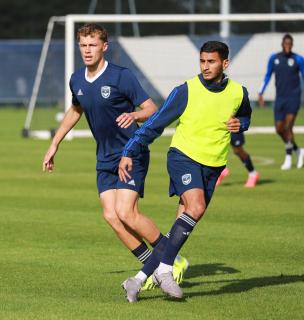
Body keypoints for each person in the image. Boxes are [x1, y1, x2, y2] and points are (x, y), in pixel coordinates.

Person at [42, 23, 188, 288]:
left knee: (126, 212)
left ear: (104, 47)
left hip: (131, 152)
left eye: (92, 45)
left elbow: (152, 108)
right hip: (105, 157)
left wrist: (134, 114)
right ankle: (152, 267)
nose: (87, 50)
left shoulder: (122, 77)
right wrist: (55, 143)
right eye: (83, 45)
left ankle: (172, 260)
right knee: (111, 216)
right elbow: (76, 109)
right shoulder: (76, 79)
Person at [119, 41, 251, 301]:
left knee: (177, 232)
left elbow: (245, 115)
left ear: (225, 64)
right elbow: (155, 124)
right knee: (196, 207)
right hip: (183, 157)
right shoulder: (186, 90)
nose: (205, 66)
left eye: (211, 62)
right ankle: (166, 271)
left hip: (213, 165)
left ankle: (136, 280)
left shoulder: (239, 92)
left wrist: (241, 123)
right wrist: (129, 151)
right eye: (202, 61)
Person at [258, 33, 304, 170]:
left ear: (292, 45)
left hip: (294, 98)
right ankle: (298, 150)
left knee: (288, 127)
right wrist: (261, 92)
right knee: (279, 129)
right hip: (280, 98)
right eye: (286, 44)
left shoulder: (298, 59)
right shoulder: (274, 58)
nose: (288, 46)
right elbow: (267, 76)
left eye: (290, 44)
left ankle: (288, 158)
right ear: (282, 44)